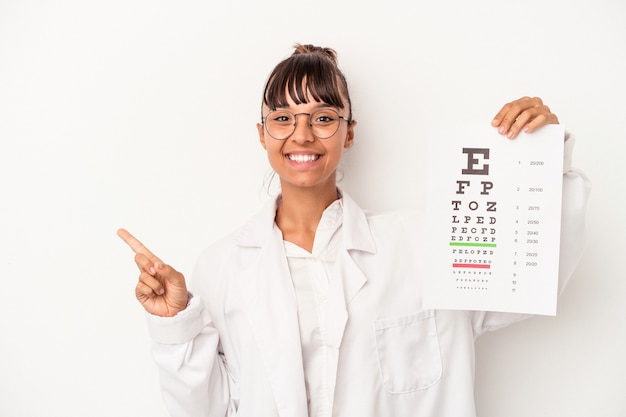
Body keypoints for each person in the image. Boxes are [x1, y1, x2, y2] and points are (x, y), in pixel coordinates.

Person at [118, 44, 590, 417]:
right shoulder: (222, 266)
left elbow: (536, 276)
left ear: (348, 133)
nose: (302, 135)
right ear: (262, 134)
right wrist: (175, 324)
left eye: (323, 118)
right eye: (283, 119)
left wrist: (542, 158)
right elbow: (209, 409)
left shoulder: (424, 245)